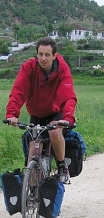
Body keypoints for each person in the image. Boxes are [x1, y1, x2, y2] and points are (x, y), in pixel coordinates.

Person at [5, 36, 77, 183]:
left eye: (47, 55)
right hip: (37, 114)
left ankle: (62, 166)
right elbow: (18, 91)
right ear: (36, 54)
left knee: (54, 131)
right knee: (33, 150)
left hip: (56, 113)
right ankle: (30, 192)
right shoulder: (29, 68)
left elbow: (68, 95)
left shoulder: (62, 69)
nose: (43, 58)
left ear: (54, 56)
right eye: (40, 54)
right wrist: (12, 113)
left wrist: (68, 118)